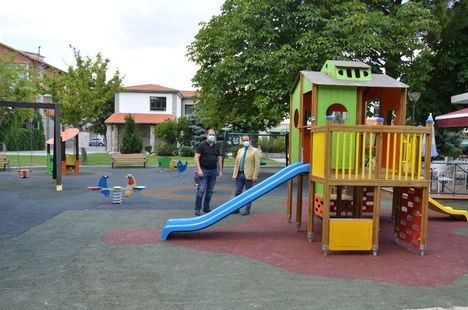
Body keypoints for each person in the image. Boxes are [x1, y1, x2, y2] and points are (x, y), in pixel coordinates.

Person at [194, 129, 223, 216]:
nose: (212, 136)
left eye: (213, 135)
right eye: (210, 134)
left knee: (210, 190)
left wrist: (220, 171)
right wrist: (199, 169)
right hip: (204, 171)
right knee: (201, 190)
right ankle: (197, 208)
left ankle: (206, 207)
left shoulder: (216, 146)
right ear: (207, 135)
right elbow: (196, 157)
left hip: (213, 171)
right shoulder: (202, 145)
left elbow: (219, 159)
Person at [232, 134, 261, 215]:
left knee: (248, 193)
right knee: (237, 192)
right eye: (244, 140)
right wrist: (234, 175)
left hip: (249, 175)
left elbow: (257, 165)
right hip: (239, 174)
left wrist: (255, 176)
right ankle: (236, 209)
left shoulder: (255, 151)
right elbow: (236, 164)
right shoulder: (240, 150)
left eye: (247, 140)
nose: (245, 142)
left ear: (250, 140)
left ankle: (247, 209)